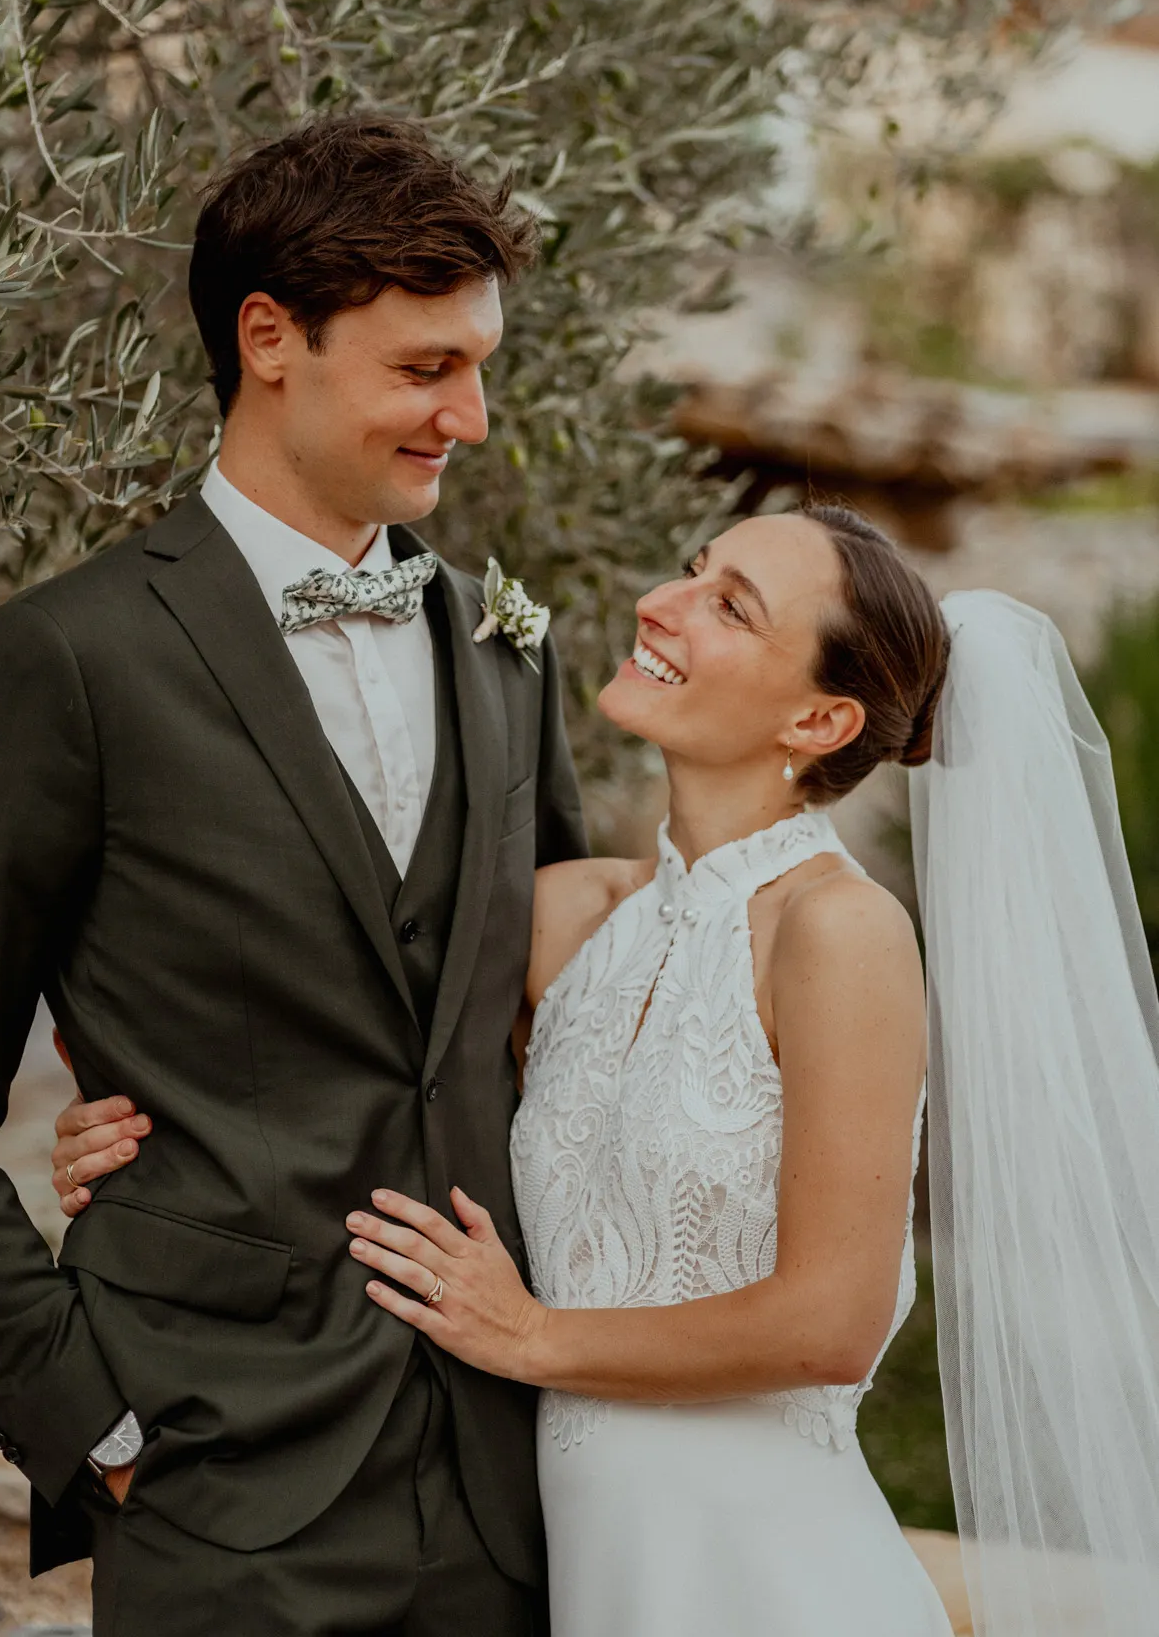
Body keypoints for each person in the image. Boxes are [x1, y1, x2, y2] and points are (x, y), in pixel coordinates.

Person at [57, 504, 1159, 1633]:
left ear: (821, 716)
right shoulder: (568, 914)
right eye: (693, 569)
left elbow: (833, 1315)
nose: (661, 603)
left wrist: (531, 1333)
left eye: (731, 605)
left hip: (766, 1577)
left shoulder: (840, 931)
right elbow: (305, 1038)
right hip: (581, 1571)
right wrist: (121, 1114)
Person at [0, 115, 587, 1637]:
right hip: (217, 1494)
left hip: (518, 1503)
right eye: (427, 368)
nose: (474, 416)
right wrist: (94, 1427)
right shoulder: (68, 662)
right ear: (269, 340)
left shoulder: (511, 653)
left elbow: (550, 1035)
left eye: (479, 363)